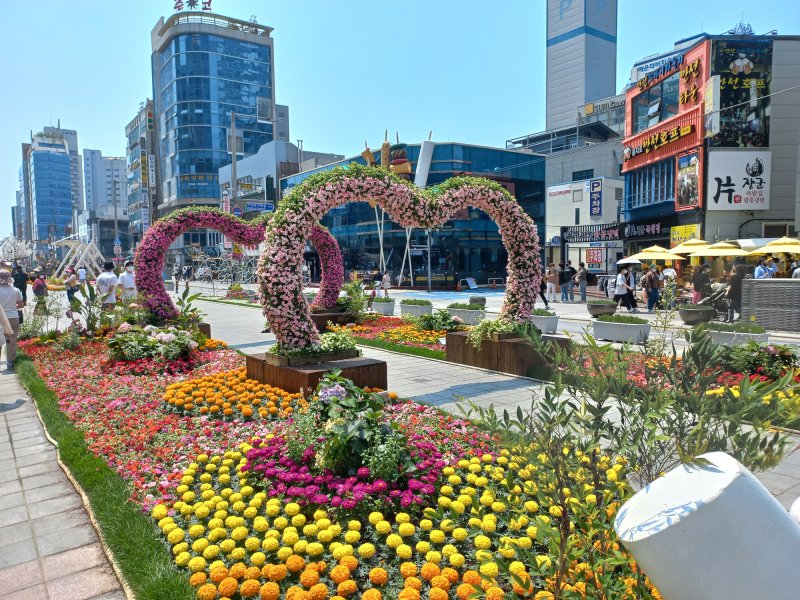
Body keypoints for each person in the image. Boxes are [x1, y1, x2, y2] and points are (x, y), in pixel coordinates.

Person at [0, 269, 25, 370]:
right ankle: (10, 361)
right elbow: (21, 304)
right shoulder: (16, 290)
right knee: (11, 340)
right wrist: (12, 306)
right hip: (13, 316)